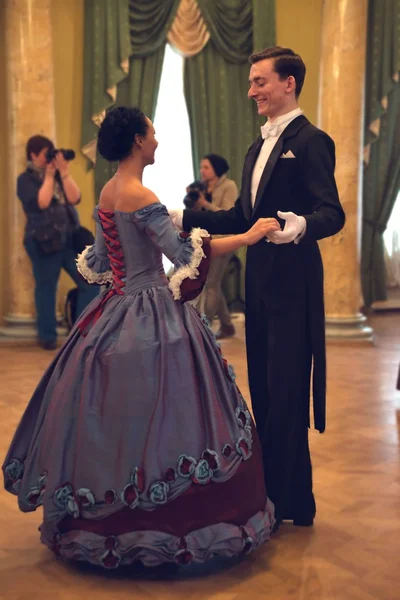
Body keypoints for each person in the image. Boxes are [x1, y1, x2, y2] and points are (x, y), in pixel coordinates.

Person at [3, 107, 278, 569]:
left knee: (109, 416)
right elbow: (185, 252)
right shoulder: (139, 193)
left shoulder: (109, 191)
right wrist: (248, 236)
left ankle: (100, 518)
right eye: (151, 132)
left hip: (113, 308)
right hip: (150, 310)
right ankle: (160, 526)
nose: (156, 139)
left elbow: (108, 260)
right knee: (172, 415)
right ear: (135, 141)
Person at [170, 46, 346, 529]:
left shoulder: (312, 141)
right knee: (266, 392)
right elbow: (241, 217)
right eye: (251, 83)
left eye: (259, 82)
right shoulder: (256, 146)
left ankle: (274, 501)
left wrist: (301, 227)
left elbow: (333, 213)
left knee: (288, 392)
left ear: (289, 83)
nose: (251, 91)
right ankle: (289, 503)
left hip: (294, 286)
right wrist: (185, 217)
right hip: (261, 283)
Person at [17, 135, 99, 349]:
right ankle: (48, 337)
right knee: (46, 288)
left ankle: (80, 335)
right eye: (46, 155)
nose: (49, 159)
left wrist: (63, 172)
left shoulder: (59, 177)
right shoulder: (25, 180)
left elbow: (75, 198)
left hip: (69, 240)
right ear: (33, 155)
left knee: (89, 282)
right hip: (43, 241)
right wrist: (50, 176)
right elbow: (42, 202)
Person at [191, 154, 238, 339]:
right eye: (201, 167)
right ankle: (227, 326)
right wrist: (194, 203)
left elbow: (228, 213)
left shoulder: (229, 186)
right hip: (206, 239)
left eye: (206, 167)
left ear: (216, 168)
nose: (202, 170)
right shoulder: (201, 187)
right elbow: (198, 214)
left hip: (224, 239)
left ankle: (206, 326)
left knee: (210, 284)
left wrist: (205, 204)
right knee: (213, 284)